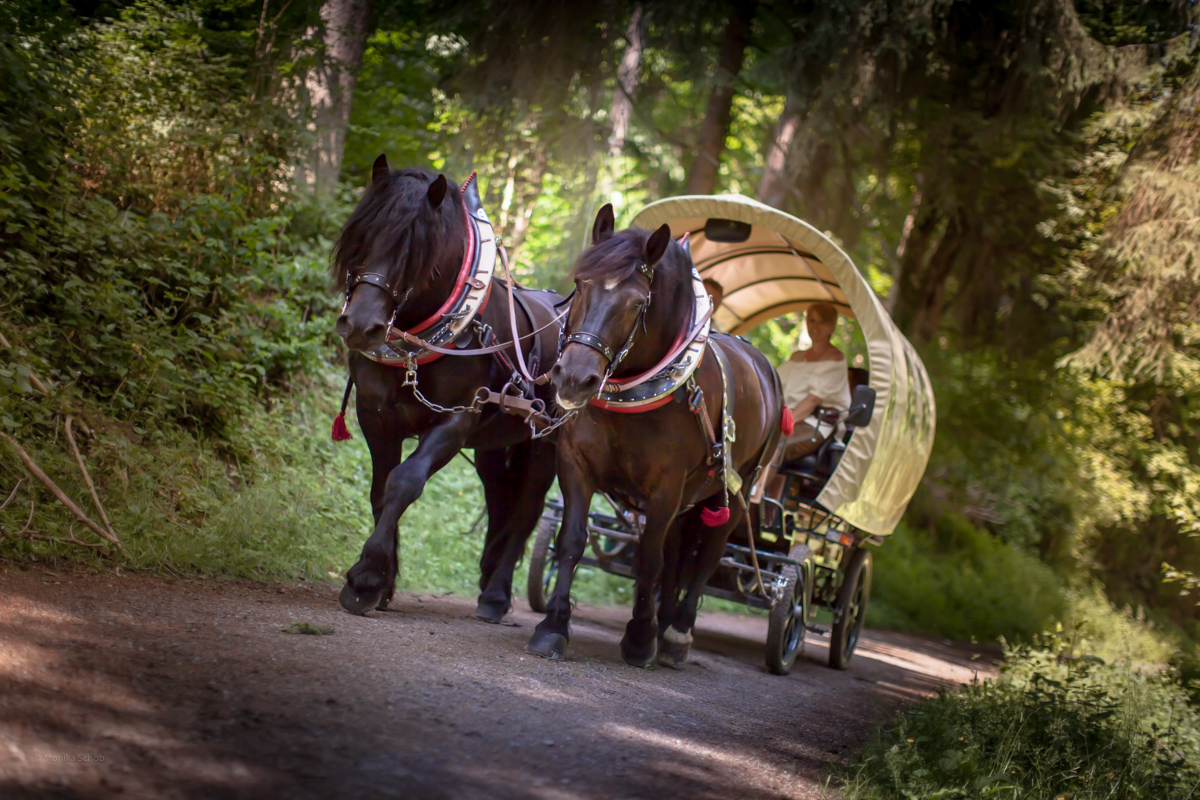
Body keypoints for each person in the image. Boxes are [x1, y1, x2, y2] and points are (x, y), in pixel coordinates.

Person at [775, 302, 850, 461]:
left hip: (816, 422)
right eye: (811, 320)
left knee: (776, 446)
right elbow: (775, 385)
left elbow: (813, 400)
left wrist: (786, 425)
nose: (815, 326)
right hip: (788, 415)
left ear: (831, 327)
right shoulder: (797, 357)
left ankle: (756, 486)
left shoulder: (835, 359)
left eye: (821, 322)